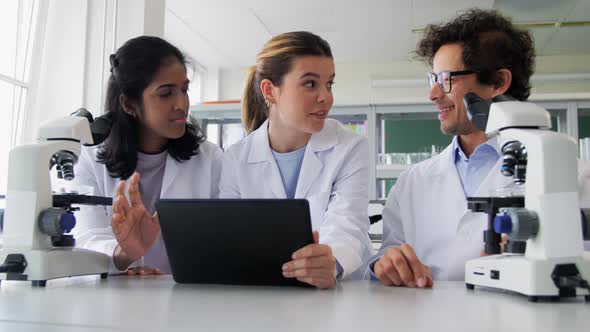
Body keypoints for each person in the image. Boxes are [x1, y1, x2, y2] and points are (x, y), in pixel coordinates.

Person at [368, 9, 538, 286]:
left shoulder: (568, 174)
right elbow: (384, 256)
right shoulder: (412, 182)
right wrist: (386, 264)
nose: (433, 94)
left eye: (446, 79)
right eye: (432, 79)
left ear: (498, 82)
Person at [219, 31, 372, 289]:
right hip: (261, 294)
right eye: (310, 84)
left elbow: (348, 225)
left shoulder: (350, 148)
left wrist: (329, 262)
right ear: (270, 90)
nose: (326, 97)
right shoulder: (236, 159)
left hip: (334, 296)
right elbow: (231, 237)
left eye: (329, 84)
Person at [73, 36, 222, 275]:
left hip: (188, 299)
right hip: (116, 300)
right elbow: (84, 238)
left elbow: (225, 238)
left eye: (184, 89)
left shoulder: (209, 158)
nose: (182, 104)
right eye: (166, 94)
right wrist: (125, 254)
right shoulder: (88, 159)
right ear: (129, 104)